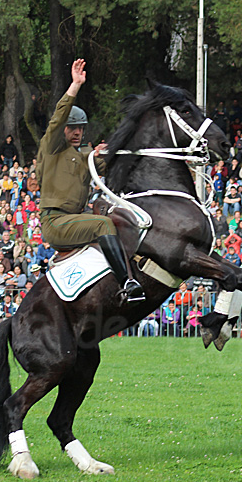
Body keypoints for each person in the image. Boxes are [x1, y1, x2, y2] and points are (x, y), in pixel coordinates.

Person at [36, 58, 143, 302]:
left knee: (115, 219)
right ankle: (126, 283)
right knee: (102, 225)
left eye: (81, 128)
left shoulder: (86, 155)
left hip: (75, 219)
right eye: (72, 128)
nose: (77, 132)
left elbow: (113, 163)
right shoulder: (51, 148)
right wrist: (75, 85)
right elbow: (57, 119)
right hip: (55, 221)